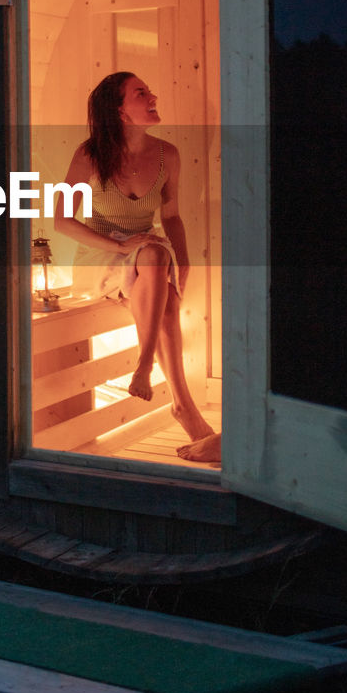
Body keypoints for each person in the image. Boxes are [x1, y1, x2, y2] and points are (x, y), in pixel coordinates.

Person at [54, 70, 221, 463]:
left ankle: (152, 374)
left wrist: (185, 259)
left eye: (149, 91)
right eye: (141, 93)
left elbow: (173, 217)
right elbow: (61, 219)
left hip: (146, 253)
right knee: (156, 266)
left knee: (158, 258)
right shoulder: (89, 155)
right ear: (120, 110)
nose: (152, 97)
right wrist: (117, 243)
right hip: (99, 254)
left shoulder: (168, 155)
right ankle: (176, 398)